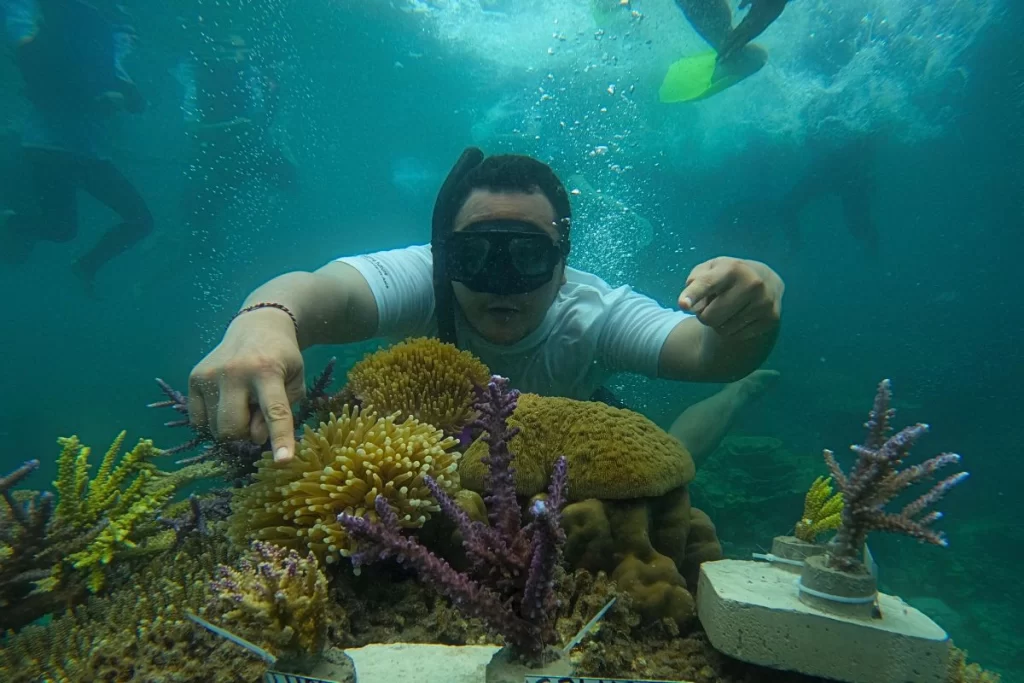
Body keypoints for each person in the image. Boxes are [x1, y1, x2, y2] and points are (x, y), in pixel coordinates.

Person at [187, 150, 785, 465]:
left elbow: (709, 354)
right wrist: (263, 319)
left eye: (527, 257)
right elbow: (320, 291)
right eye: (475, 255)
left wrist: (752, 311)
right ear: (443, 255)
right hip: (437, 454)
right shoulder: (424, 279)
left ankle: (745, 399)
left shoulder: (594, 312)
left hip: (563, 446)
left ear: (562, 259)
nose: (503, 283)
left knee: (669, 461)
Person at [0, 0, 153, 292]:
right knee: (63, 229)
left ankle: (86, 266)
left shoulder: (101, 45)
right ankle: (11, 223)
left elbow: (134, 100)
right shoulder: (50, 36)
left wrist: (120, 95)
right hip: (50, 149)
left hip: (87, 153)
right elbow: (41, 78)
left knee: (138, 221)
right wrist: (101, 98)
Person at [178, 29, 297, 238]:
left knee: (293, 183)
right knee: (204, 213)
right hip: (221, 158)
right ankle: (196, 245)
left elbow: (263, 118)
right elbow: (192, 129)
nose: (240, 55)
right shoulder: (198, 78)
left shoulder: (251, 74)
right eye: (233, 49)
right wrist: (232, 127)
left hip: (254, 151)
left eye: (242, 49)